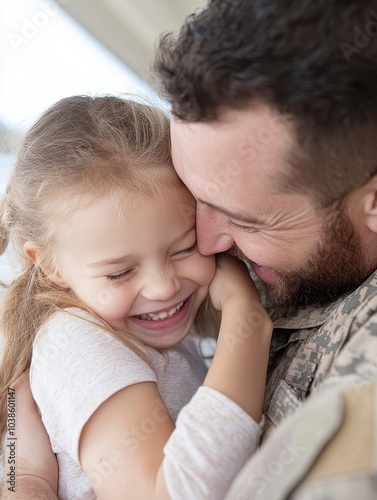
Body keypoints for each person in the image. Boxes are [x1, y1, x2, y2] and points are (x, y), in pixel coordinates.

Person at [4, 0, 377, 497]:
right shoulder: (84, 340)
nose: (209, 242)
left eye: (245, 218)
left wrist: (22, 477)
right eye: (197, 201)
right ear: (48, 264)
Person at [0, 95, 273, 499]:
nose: (163, 287)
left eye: (183, 248)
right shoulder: (77, 343)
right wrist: (245, 320)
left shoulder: (124, 329)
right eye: (120, 272)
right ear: (51, 266)